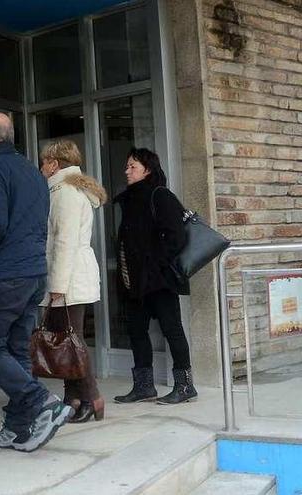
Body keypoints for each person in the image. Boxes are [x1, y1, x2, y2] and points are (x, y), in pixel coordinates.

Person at [0, 112, 73, 452]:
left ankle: (42, 403)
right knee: (17, 350)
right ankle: (18, 428)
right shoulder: (32, 171)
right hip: (31, 274)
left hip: (3, 275)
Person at [113, 147, 197, 405]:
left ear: (147, 169)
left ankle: (185, 386)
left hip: (159, 280)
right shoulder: (129, 199)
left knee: (172, 329)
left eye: (132, 167)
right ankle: (144, 387)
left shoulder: (160, 196)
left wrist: (156, 264)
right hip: (133, 280)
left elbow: (177, 237)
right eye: (127, 166)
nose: (127, 171)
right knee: (136, 331)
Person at [38, 140, 107, 423]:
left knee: (71, 339)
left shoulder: (64, 192)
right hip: (73, 275)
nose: (41, 167)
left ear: (54, 163)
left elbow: (64, 243)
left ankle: (91, 397)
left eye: (44, 162)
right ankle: (73, 398)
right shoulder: (67, 189)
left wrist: (57, 286)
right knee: (66, 338)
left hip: (68, 278)